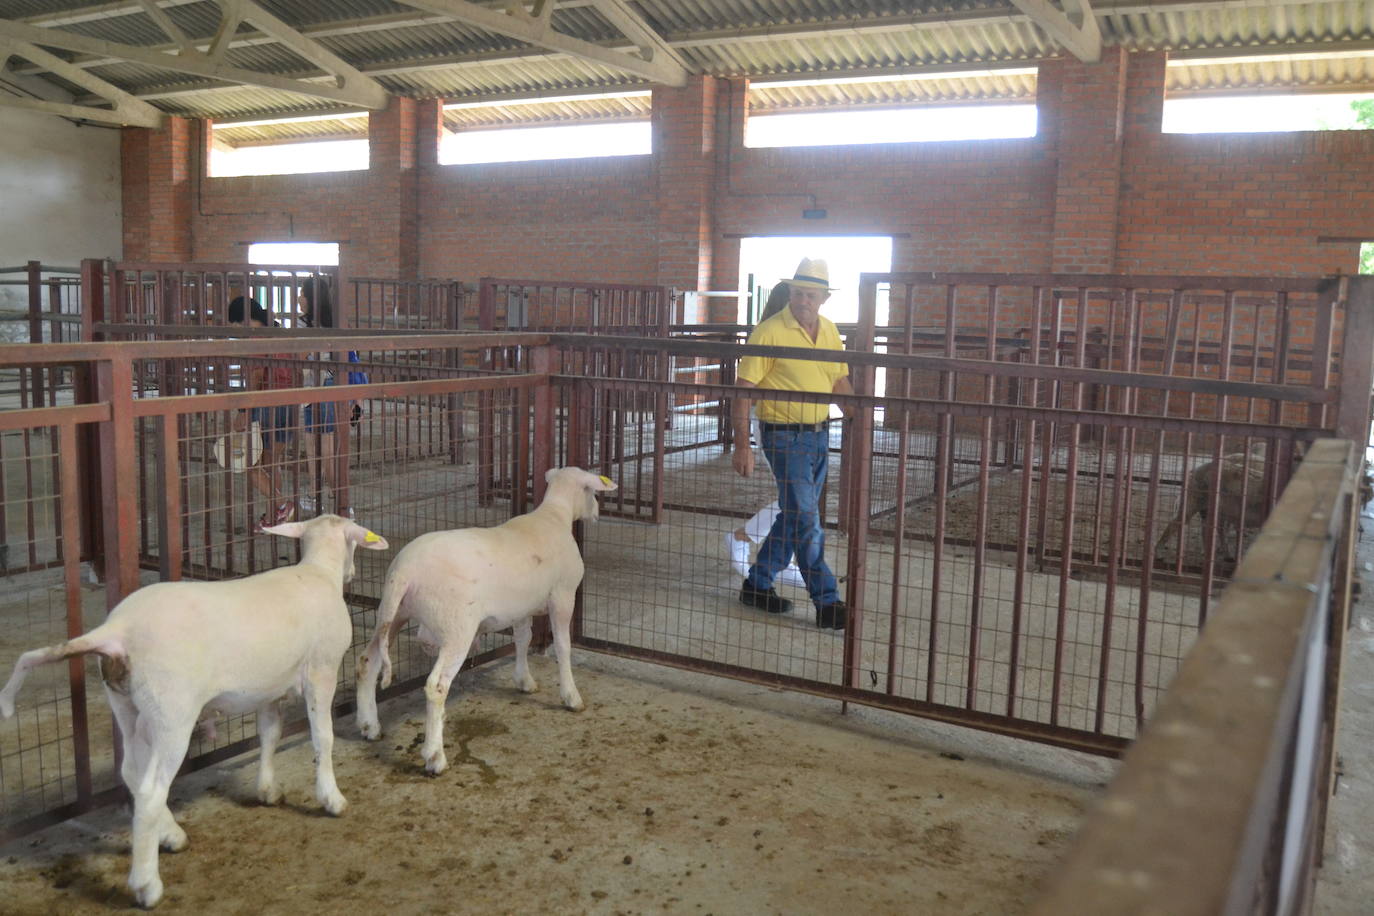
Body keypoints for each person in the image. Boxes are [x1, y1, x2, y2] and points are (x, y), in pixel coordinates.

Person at [731, 258, 854, 630]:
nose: (804, 299)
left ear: (824, 298)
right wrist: (742, 445)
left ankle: (757, 583)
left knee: (794, 514)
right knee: (806, 519)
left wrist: (858, 419)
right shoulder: (769, 332)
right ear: (790, 292)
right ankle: (827, 600)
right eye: (799, 292)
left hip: (818, 432)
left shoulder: (830, 330)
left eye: (811, 294)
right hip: (783, 433)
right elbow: (743, 390)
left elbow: (838, 382)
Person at [228, 292, 298, 530]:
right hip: (289, 403)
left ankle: (280, 504)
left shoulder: (258, 339)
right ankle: (274, 517)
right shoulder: (279, 331)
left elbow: (257, 375)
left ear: (241, 320)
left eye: (235, 325)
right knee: (272, 462)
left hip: (269, 404)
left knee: (250, 464)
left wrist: (244, 409)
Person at [297, 279, 355, 519]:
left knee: (318, 448)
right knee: (326, 447)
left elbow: (298, 356)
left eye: (301, 294)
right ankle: (325, 498)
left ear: (311, 298)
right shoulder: (338, 321)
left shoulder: (303, 324)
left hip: (316, 390)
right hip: (332, 388)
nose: (298, 299)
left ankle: (335, 500)